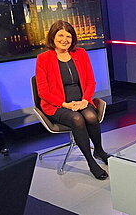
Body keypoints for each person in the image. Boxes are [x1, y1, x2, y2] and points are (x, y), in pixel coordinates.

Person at [35, 20, 110, 180]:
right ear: (53, 38)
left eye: (68, 36)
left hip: (81, 101)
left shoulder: (80, 53)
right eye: (60, 35)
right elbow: (43, 91)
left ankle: (99, 150)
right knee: (77, 119)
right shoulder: (43, 58)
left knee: (90, 116)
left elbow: (90, 81)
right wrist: (64, 104)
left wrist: (85, 100)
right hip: (57, 105)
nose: (65, 39)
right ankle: (91, 162)